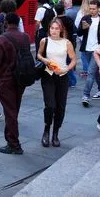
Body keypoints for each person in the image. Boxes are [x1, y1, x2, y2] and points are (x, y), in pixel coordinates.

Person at [0, 13, 29, 155]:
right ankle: (11, 140)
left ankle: (14, 143)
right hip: (22, 78)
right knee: (14, 109)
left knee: (10, 111)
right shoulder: (25, 37)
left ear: (6, 22)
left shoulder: (1, 39)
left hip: (6, 79)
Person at [37, 19, 77, 147]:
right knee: (50, 106)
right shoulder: (45, 41)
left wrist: (66, 69)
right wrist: (45, 60)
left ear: (61, 30)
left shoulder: (67, 43)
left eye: (56, 28)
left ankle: (55, 133)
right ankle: (46, 130)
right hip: (48, 76)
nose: (54, 31)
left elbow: (74, 59)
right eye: (52, 28)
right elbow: (38, 55)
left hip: (62, 77)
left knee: (60, 107)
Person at [77, 0, 100, 107]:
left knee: (90, 72)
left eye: (94, 9)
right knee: (95, 72)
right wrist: (83, 28)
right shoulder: (85, 19)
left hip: (97, 50)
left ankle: (86, 96)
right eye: (90, 8)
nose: (91, 11)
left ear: (98, 9)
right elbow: (78, 33)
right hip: (87, 49)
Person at [54, 3, 77, 88]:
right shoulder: (69, 19)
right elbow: (74, 30)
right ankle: (72, 81)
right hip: (68, 44)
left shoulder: (54, 21)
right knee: (68, 62)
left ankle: (61, 80)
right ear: (64, 10)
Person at [74, 0, 93, 77]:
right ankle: (92, 69)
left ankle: (86, 70)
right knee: (92, 54)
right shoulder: (94, 12)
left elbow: (76, 23)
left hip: (83, 37)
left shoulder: (81, 12)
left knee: (83, 54)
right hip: (92, 36)